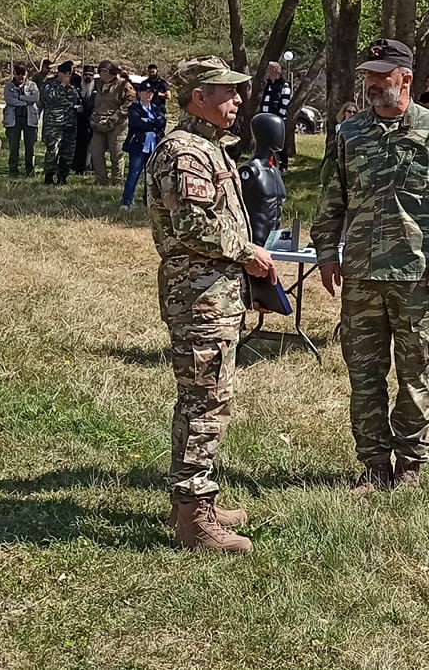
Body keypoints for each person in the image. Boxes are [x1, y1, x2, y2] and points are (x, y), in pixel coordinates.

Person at [313, 39, 429, 495]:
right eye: (368, 76)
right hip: (361, 276)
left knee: (413, 373)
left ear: (406, 78)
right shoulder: (349, 135)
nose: (372, 84)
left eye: (381, 76)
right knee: (363, 374)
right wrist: (327, 253)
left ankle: (410, 464)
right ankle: (373, 464)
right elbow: (331, 198)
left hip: (415, 277)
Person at [148, 56, 277, 553]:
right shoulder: (185, 152)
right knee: (205, 403)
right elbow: (193, 227)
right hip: (199, 298)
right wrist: (247, 253)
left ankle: (195, 499)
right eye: (227, 92)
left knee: (205, 399)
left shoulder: (209, 148)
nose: (239, 100)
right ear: (199, 96)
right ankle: (194, 519)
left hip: (213, 295)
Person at [88, 62, 135, 187]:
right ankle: (101, 179)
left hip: (117, 125)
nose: (100, 74)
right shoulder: (99, 84)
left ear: (108, 72)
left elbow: (131, 100)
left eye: (102, 72)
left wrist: (117, 115)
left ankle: (117, 181)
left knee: (116, 153)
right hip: (99, 124)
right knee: (96, 152)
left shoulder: (123, 85)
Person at [40, 62, 85, 185]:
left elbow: (76, 101)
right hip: (54, 125)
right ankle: (49, 176)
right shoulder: (49, 85)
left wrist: (79, 108)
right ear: (60, 73)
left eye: (70, 74)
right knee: (53, 151)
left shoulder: (71, 88)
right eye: (66, 73)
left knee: (68, 152)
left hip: (70, 125)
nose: (68, 76)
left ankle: (63, 176)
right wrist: (62, 85)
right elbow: (49, 98)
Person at [121, 80, 164, 208]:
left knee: (151, 177)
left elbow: (162, 123)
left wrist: (149, 122)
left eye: (150, 93)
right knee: (134, 174)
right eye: (145, 92)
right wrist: (152, 123)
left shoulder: (156, 108)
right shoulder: (134, 107)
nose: (148, 95)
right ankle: (126, 202)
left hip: (153, 146)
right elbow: (137, 123)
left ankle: (149, 202)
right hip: (138, 146)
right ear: (139, 93)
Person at [2, 64, 41, 176]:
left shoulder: (32, 85)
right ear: (15, 74)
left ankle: (30, 170)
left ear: (26, 75)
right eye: (18, 74)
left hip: (29, 120)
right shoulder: (9, 86)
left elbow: (35, 98)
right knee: (14, 147)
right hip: (14, 120)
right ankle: (13, 170)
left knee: (30, 147)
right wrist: (25, 102)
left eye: (23, 74)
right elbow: (9, 100)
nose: (20, 76)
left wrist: (20, 97)